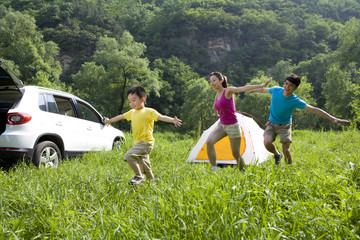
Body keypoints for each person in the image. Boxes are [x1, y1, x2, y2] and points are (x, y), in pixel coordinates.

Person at [247, 74, 350, 165]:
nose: (287, 87)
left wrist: (332, 118)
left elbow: (313, 109)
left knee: (286, 150)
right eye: (286, 84)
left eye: (290, 85)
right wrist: (249, 90)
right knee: (267, 143)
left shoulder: (295, 100)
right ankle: (277, 154)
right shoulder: (276, 90)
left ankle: (289, 169)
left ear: (295, 88)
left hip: (285, 125)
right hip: (272, 123)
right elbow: (262, 90)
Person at [105, 86, 182, 185]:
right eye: (129, 101)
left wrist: (172, 120)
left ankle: (138, 176)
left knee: (128, 156)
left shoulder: (149, 111)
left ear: (143, 99)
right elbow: (121, 116)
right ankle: (152, 186)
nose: (132, 103)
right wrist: (109, 121)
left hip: (146, 142)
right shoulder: (132, 112)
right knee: (146, 167)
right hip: (138, 143)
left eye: (134, 100)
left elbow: (161, 117)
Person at [207, 72, 272, 171]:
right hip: (222, 126)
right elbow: (215, 106)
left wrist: (262, 85)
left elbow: (243, 88)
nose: (212, 83)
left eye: (214, 80)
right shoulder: (217, 95)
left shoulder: (228, 91)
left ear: (221, 81)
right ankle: (213, 168)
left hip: (232, 126)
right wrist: (216, 114)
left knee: (236, 154)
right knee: (209, 142)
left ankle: (243, 172)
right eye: (210, 81)